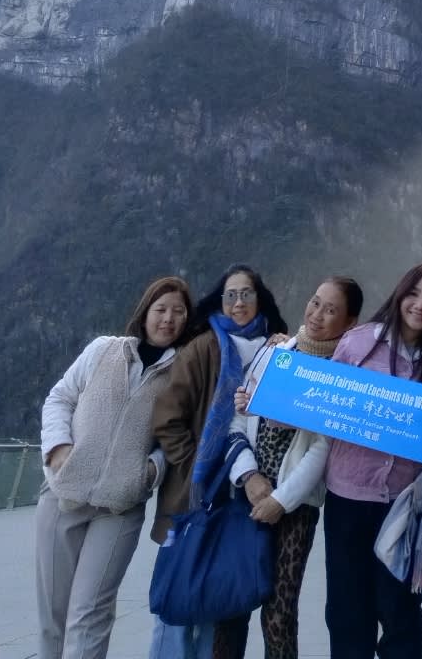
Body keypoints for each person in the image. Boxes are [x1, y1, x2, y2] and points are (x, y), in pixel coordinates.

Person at [36, 275, 192, 659]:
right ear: (145, 312)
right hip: (63, 493)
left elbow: (178, 437)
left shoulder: (183, 375)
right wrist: (57, 448)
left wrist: (149, 472)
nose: (168, 319)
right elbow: (60, 398)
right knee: (53, 614)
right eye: (161, 309)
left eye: (178, 312)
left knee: (90, 613)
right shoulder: (103, 350)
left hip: (120, 508)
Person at [149, 264, 288, 659]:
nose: (238, 302)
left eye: (246, 293)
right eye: (230, 295)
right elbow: (168, 419)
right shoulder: (205, 347)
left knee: (224, 598)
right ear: (220, 300)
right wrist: (199, 466)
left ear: (260, 299)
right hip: (196, 495)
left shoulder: (278, 350)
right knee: (180, 596)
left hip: (250, 496)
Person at [229, 277, 364, 659]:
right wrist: (249, 477)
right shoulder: (276, 352)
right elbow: (237, 419)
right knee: (231, 604)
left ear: (349, 322)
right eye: (315, 302)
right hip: (247, 494)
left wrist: (281, 501)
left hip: (295, 507)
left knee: (279, 613)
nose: (317, 314)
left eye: (331, 310)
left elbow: (323, 448)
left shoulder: (342, 372)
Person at [322, 262, 422, 659]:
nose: (420, 305)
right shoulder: (359, 343)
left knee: (401, 612)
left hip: (405, 505)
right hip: (348, 497)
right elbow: (320, 403)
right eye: (413, 293)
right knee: (348, 611)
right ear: (399, 294)